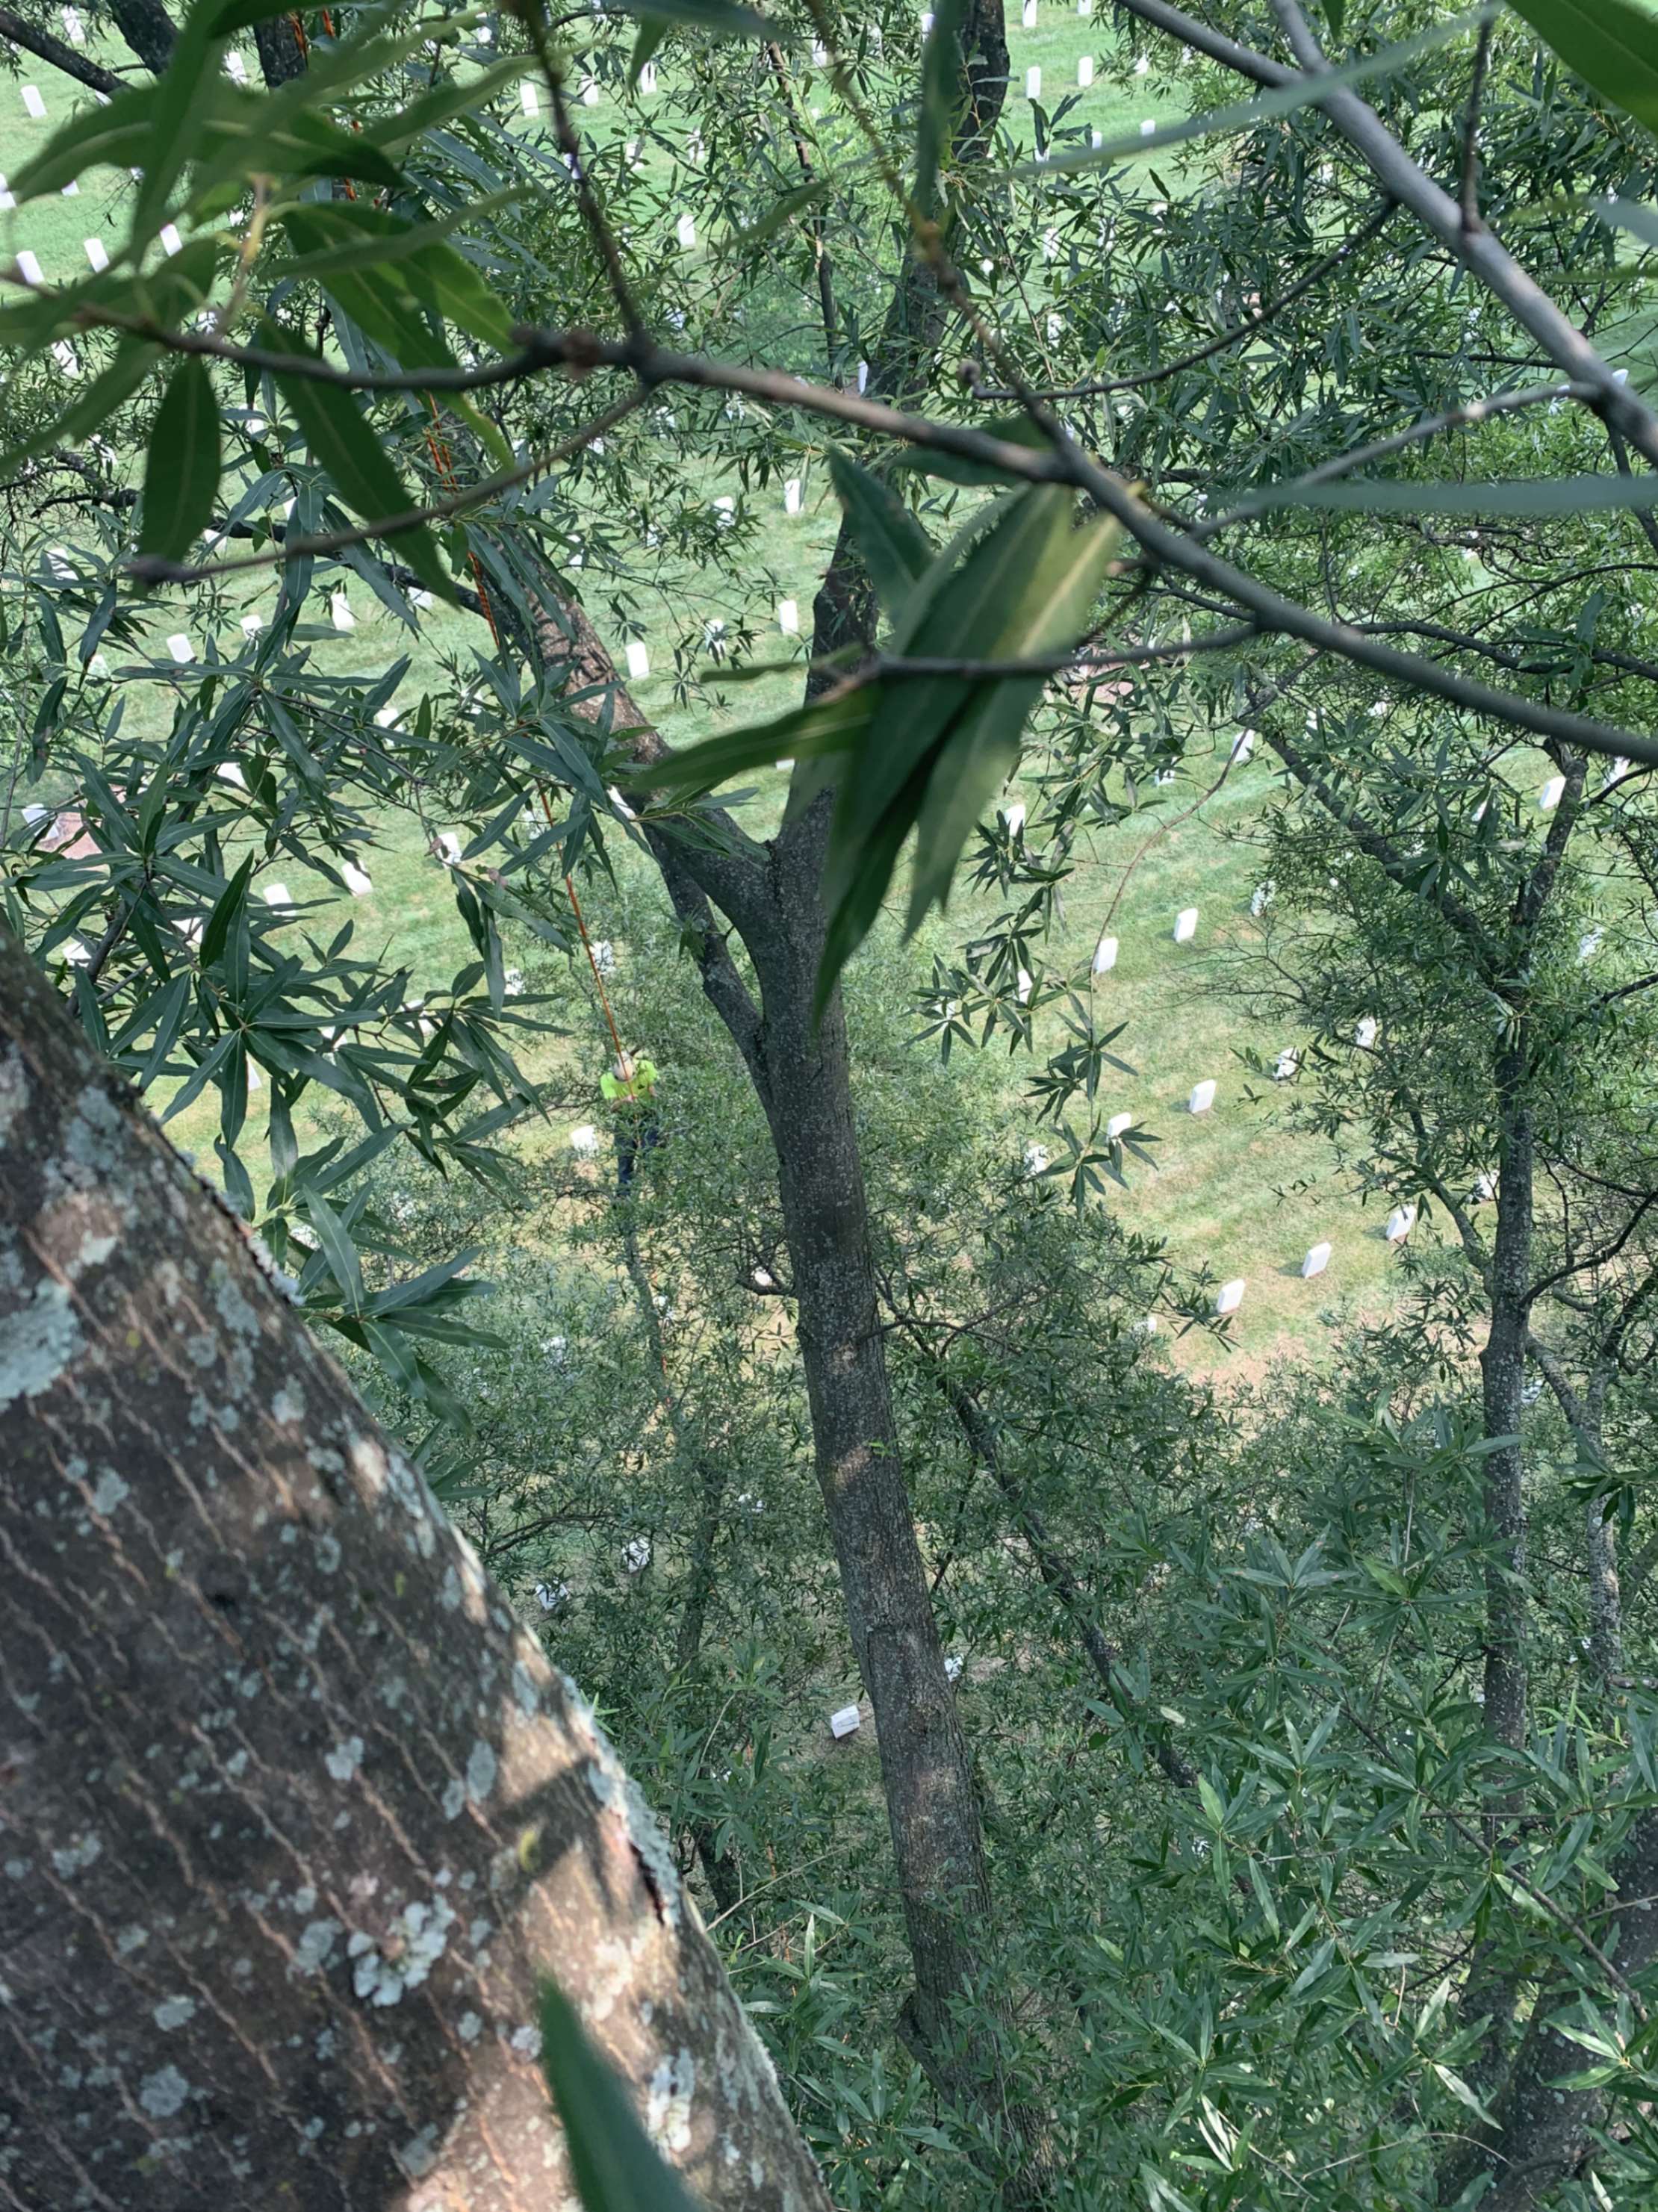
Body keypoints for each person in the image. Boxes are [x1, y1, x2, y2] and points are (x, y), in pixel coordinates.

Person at [599, 1048, 661, 1193]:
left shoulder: (646, 1067)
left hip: (648, 1115)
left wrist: (656, 1095)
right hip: (625, 1118)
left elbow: (655, 1090)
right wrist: (625, 1101)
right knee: (624, 1158)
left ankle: (660, 1191)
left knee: (652, 1155)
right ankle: (624, 1200)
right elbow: (612, 1108)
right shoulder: (606, 1079)